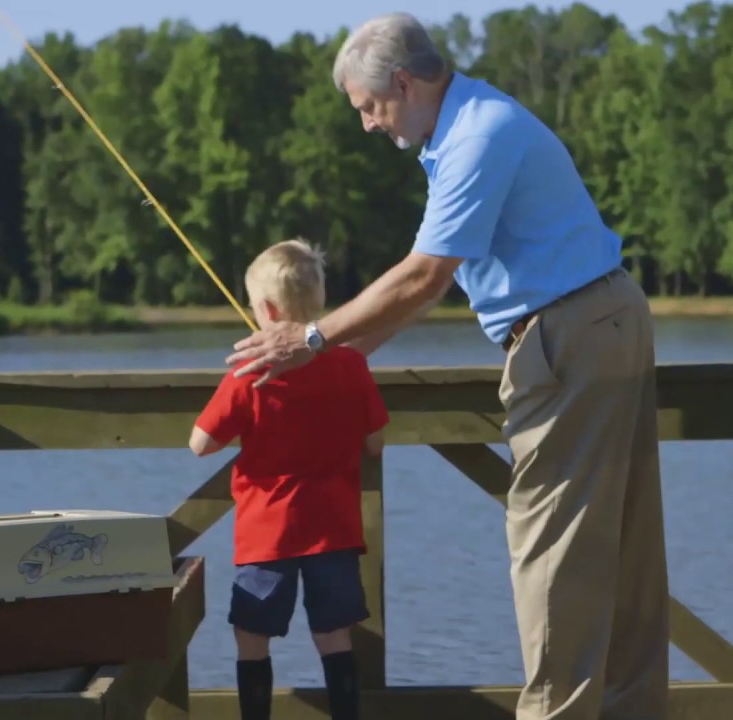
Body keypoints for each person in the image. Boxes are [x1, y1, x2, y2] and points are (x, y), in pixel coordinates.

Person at [224, 12, 669, 720]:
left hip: (569, 338)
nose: (368, 124)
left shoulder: (476, 137)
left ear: (403, 83)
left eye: (370, 106)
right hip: (602, 322)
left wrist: (308, 338)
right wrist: (333, 363)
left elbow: (422, 276)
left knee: (552, 555)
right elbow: (425, 294)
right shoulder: (471, 124)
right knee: (622, 552)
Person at [190, 239, 388, 720]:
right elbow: (376, 441)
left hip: (267, 534)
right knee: (334, 636)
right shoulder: (351, 364)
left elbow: (201, 443)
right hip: (334, 531)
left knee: (251, 637)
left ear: (266, 310)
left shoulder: (248, 374)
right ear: (319, 301)